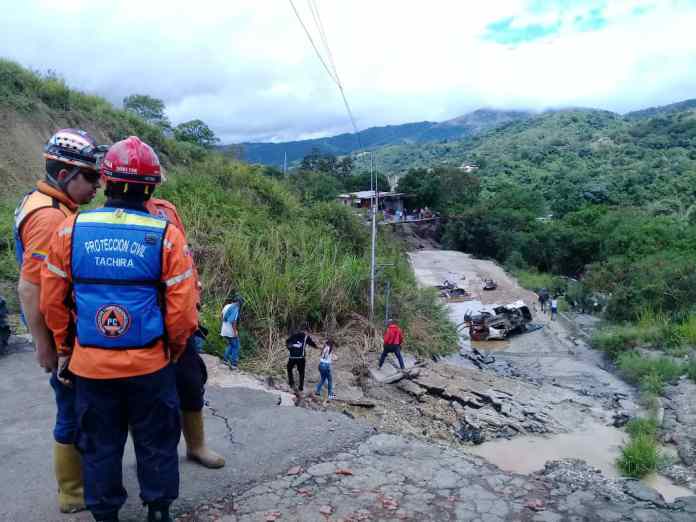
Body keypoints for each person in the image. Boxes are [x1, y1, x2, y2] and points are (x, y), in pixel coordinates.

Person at [41, 136, 198, 522]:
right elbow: (183, 311)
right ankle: (158, 510)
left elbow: (51, 301)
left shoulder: (70, 230)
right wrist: (173, 350)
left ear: (106, 181)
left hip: (91, 367)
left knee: (99, 445)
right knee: (157, 441)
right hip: (150, 365)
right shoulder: (166, 235)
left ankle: (105, 514)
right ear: (152, 187)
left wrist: (65, 348)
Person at [14, 128, 102, 514]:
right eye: (91, 177)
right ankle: (72, 492)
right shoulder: (49, 218)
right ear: (64, 174)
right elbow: (30, 288)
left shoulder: (45, 202)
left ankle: (79, 481)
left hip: (62, 327)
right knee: (71, 408)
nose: (97, 185)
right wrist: (46, 345)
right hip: (60, 334)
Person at [144, 195, 226, 469]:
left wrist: (194, 298)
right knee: (142, 391)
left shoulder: (166, 210)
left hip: (178, 315)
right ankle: (147, 451)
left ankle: (196, 445)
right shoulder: (111, 216)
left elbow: (185, 257)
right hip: (142, 318)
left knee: (190, 380)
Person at [220, 295, 242, 369]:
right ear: (238, 302)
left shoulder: (226, 306)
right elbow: (233, 322)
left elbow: (222, 315)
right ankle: (233, 364)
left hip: (224, 329)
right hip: (230, 331)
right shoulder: (235, 308)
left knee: (231, 344)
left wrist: (224, 324)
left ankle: (225, 360)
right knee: (236, 346)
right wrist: (235, 332)